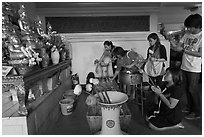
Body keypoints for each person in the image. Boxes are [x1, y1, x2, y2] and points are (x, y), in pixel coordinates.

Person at [170, 14, 202, 120]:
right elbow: (179, 47)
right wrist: (174, 45)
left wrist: (185, 50)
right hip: (184, 66)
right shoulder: (187, 34)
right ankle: (189, 107)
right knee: (185, 89)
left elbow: (200, 54)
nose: (188, 29)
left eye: (190, 27)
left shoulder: (202, 37)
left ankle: (197, 111)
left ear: (197, 26)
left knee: (193, 90)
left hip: (195, 68)